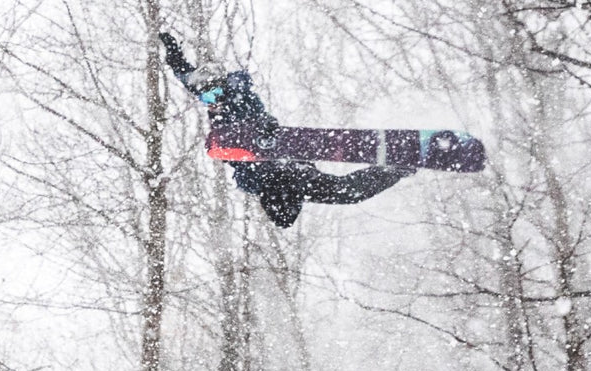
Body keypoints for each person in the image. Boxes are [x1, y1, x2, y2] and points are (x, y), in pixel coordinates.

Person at [161, 33, 415, 229]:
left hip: (275, 164)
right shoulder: (235, 106)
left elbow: (352, 192)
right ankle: (260, 138)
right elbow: (352, 191)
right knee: (230, 104)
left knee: (228, 106)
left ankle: (261, 140)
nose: (212, 94)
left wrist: (394, 171)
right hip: (275, 163)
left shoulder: (284, 181)